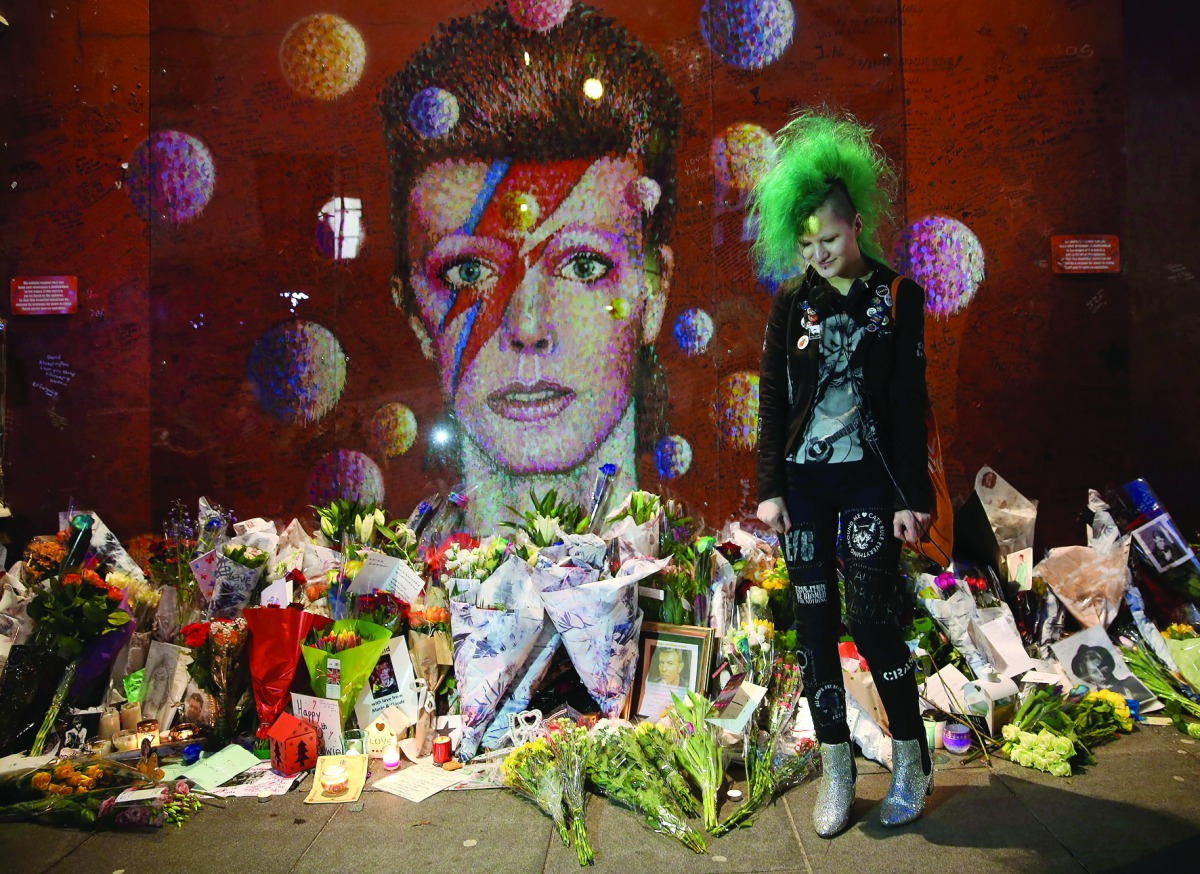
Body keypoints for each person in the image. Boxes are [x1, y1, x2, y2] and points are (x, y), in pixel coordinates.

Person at [381, 3, 679, 532]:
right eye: (469, 273)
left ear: (653, 296)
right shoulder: (393, 580)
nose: (527, 327)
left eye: (584, 266)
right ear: (414, 318)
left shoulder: (707, 572)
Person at [751, 110, 934, 836]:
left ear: (855, 223)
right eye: (805, 244)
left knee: (871, 618)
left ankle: (913, 758)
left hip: (868, 481)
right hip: (804, 485)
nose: (818, 254)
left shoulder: (896, 299)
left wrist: (910, 498)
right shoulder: (791, 302)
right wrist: (768, 487)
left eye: (828, 238)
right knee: (815, 626)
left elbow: (908, 402)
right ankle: (837, 768)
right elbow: (772, 395)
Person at [1071, 644, 1147, 703]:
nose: (1101, 673)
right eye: (1094, 672)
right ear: (1090, 679)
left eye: (1101, 666)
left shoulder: (1133, 682)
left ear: (1108, 664)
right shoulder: (1099, 702)